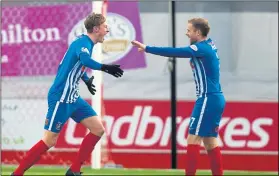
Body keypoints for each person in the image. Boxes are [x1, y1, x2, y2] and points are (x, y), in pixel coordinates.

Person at [11, 12, 124, 176]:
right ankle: (17, 173)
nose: (107, 30)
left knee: (97, 129)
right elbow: (84, 61)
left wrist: (85, 79)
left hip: (73, 97)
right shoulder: (83, 43)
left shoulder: (84, 43)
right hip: (61, 98)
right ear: (96, 28)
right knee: (49, 141)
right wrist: (106, 67)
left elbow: (69, 64)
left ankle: (74, 170)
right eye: (105, 27)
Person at [132, 17, 225, 176]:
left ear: (197, 32)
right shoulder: (209, 45)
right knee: (210, 141)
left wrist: (148, 48)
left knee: (193, 139)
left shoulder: (201, 48)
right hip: (215, 98)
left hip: (208, 98)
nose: (186, 33)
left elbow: (176, 52)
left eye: (189, 30)